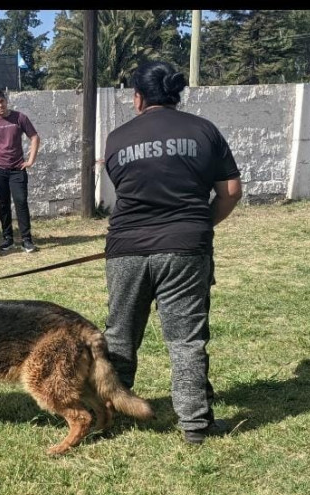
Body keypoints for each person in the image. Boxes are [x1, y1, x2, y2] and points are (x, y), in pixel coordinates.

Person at [102, 60, 242, 445]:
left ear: (138, 97)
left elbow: (125, 190)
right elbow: (230, 192)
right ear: (175, 94)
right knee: (185, 340)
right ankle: (196, 425)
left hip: (126, 249)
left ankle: (111, 411)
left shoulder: (117, 139)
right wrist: (197, 225)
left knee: (120, 335)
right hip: (185, 249)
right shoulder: (203, 131)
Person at [0, 89, 41, 253]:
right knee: (3, 204)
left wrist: (31, 160)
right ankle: (8, 239)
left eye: (1, 102)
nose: (0, 106)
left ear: (6, 100)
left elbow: (34, 137)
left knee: (21, 201)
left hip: (17, 168)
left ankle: (26, 240)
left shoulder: (20, 118)